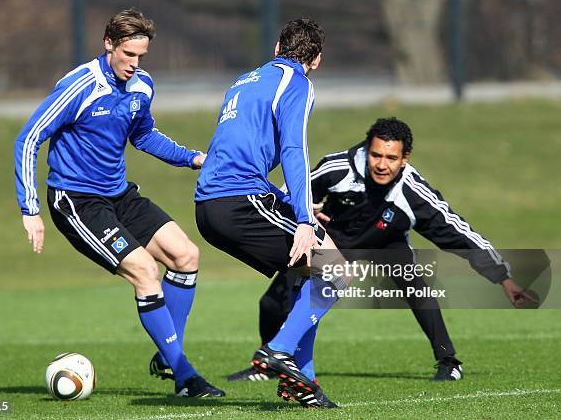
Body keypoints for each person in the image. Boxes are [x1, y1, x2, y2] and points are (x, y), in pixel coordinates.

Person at [226, 117, 536, 384]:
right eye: (376, 155)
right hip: (334, 242)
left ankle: (449, 362)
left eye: (391, 157)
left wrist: (503, 278)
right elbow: (287, 196)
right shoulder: (336, 169)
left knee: (417, 287)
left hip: (387, 244)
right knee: (272, 302)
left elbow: (457, 233)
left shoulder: (413, 191)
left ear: (405, 158)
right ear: (366, 149)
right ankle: (270, 364)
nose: (381, 164)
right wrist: (306, 211)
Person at [13, 8, 224, 398]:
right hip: (76, 201)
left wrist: (193, 157)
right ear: (108, 44)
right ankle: (184, 376)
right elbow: (29, 138)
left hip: (119, 194)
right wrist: (31, 210)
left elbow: (145, 136)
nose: (134, 64)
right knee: (145, 271)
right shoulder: (80, 86)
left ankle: (167, 354)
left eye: (141, 56)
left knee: (186, 255)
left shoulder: (141, 87)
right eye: (128, 54)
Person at [192, 18, 349, 409]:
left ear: (277, 48)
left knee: (304, 271)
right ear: (316, 60)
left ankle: (302, 382)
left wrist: (293, 202)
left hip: (209, 207)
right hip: (239, 199)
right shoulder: (297, 82)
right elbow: (295, 150)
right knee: (337, 270)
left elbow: (243, 153)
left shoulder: (245, 81)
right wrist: (303, 220)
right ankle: (278, 350)